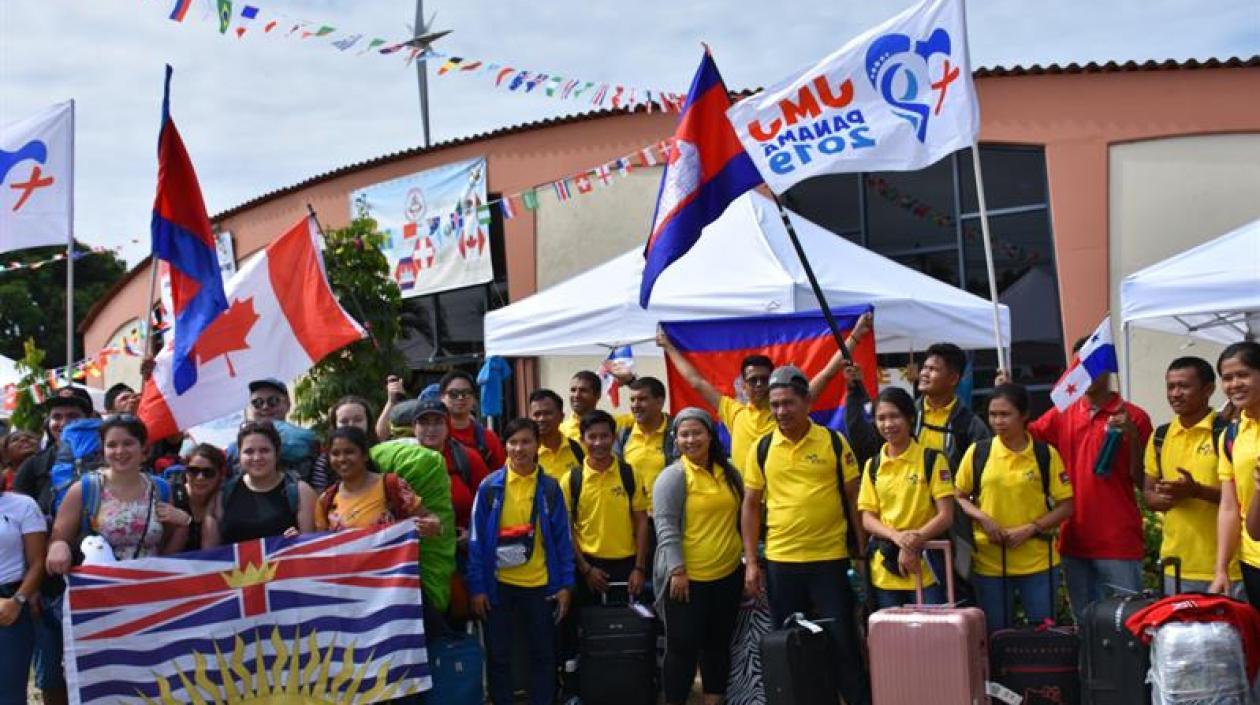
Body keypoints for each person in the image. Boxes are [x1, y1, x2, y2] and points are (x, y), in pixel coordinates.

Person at [740, 365, 869, 705]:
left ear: (807, 402)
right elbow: (751, 506)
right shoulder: (762, 448)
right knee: (790, 647)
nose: (780, 411)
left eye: (787, 403)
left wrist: (863, 550)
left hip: (830, 561)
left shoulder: (832, 441)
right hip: (782, 564)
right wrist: (752, 562)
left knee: (843, 643)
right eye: (775, 404)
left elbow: (856, 498)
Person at [1028, 336, 1152, 620]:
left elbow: (1140, 479)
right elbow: (1021, 440)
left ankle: (1129, 669)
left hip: (1118, 538)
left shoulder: (1136, 417)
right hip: (1074, 537)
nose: (1086, 372)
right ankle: (1089, 668)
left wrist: (1132, 437)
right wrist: (1008, 392)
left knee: (1128, 624)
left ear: (1108, 364)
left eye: (1093, 364)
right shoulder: (1061, 413)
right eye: (1079, 365)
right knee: (1083, 623)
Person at [657, 313, 869, 472]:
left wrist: (856, 336)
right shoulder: (733, 411)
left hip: (780, 495)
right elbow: (696, 382)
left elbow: (826, 374)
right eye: (752, 380)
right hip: (745, 500)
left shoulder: (789, 407)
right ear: (744, 385)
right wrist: (668, 346)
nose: (758, 384)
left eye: (764, 379)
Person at [467, 418, 574, 705]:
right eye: (513, 442)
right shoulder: (489, 489)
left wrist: (565, 585)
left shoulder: (550, 489)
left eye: (526, 441)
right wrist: (477, 588)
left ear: (537, 445)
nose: (519, 448)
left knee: (543, 655)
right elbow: (476, 542)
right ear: (504, 446)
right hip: (498, 587)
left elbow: (564, 541)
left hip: (542, 587)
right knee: (499, 655)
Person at [955, 383, 1075, 631]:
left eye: (1005, 414)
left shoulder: (1045, 454)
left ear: (1024, 415)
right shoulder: (978, 452)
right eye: (993, 414)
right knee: (996, 634)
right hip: (989, 560)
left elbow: (1066, 506)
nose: (998, 421)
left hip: (1038, 560)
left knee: (1042, 632)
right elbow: (957, 496)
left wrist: (1030, 529)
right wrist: (983, 518)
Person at [652, 408, 744, 705]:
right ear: (676, 439)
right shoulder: (673, 476)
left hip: (727, 575)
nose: (691, 440)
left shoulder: (729, 472)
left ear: (710, 435)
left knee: (717, 645)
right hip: (687, 580)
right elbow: (665, 526)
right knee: (682, 648)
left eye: (697, 432)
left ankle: (712, 701)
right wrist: (677, 570)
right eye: (684, 434)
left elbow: (743, 517)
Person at [12, 389, 90, 705]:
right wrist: (27, 589)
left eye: (73, 416)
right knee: (52, 675)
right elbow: (16, 529)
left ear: (90, 420)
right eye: (57, 416)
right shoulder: (33, 467)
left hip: (99, 583)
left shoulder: (110, 457)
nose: (63, 422)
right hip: (48, 588)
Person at [1143, 358, 1240, 595]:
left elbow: (1243, 499)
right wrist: (1159, 499)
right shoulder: (1161, 435)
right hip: (1174, 565)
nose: (1175, 394)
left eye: (1184, 386)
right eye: (1170, 386)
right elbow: (1148, 491)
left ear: (1208, 390)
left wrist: (1196, 491)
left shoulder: (1227, 432)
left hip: (1228, 567)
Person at [45, 416, 190, 571]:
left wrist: (183, 524)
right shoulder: (84, 489)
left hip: (148, 586)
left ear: (143, 448)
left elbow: (167, 550)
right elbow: (58, 538)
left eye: (128, 443)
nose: (120, 451)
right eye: (112, 445)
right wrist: (58, 546)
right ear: (103, 450)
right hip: (99, 588)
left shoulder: (160, 488)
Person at [857, 388, 956, 608]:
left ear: (910, 418)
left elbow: (946, 515)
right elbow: (868, 518)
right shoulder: (872, 465)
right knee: (892, 637)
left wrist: (912, 543)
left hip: (927, 567)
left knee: (932, 637)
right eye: (881, 418)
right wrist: (896, 537)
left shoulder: (931, 459)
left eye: (895, 416)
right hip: (885, 571)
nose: (888, 424)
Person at [845, 341, 989, 470]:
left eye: (933, 369)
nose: (924, 373)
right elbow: (865, 442)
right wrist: (855, 391)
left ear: (953, 379)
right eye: (925, 367)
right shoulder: (905, 413)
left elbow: (981, 472)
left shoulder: (971, 426)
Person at [564, 410, 652, 602]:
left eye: (604, 436)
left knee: (628, 626)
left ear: (613, 437)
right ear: (582, 439)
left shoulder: (630, 474)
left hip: (627, 566)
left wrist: (639, 568)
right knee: (591, 627)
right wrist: (585, 569)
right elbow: (567, 529)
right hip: (587, 565)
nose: (598, 443)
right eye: (592, 437)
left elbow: (642, 522)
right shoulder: (572, 479)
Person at [314, 426, 440, 534]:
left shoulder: (392, 485)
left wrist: (433, 524)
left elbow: (427, 517)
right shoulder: (326, 501)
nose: (342, 459)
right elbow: (320, 546)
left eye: (349, 452)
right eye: (335, 454)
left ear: (365, 455)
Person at [1212, 342, 1260, 608]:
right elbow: (1229, 506)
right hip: (1252, 561)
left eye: (1243, 374)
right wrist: (1221, 569)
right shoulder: (1231, 435)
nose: (1234, 384)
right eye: (1227, 378)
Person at [218, 421, 317, 544]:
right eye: (249, 451)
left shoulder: (301, 492)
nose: (257, 457)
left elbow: (311, 548)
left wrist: (297, 541)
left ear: (277, 452)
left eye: (264, 450)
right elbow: (211, 553)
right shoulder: (224, 493)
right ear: (239, 454)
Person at [0, 471, 45, 705]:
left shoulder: (23, 505)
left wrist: (18, 601)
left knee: (8, 695)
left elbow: (38, 561)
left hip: (9, 608)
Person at [412, 399, 489, 533]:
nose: (431, 429)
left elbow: (488, 502)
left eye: (438, 422)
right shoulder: (404, 461)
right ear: (414, 428)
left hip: (462, 546)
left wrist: (472, 533)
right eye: (424, 423)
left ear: (448, 426)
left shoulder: (467, 458)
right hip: (418, 546)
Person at [619, 376, 676, 510]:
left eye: (642, 399)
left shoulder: (677, 433)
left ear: (659, 402)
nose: (635, 405)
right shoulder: (623, 435)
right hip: (633, 518)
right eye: (632, 400)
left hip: (667, 518)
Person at [440, 370, 506, 471]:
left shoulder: (488, 439)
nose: (460, 398)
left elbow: (500, 477)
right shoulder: (433, 435)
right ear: (441, 397)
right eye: (453, 394)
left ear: (474, 399)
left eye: (466, 393)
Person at [311, 396, 377, 491]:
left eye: (358, 420)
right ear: (335, 425)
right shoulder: (324, 462)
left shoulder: (383, 453)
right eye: (344, 421)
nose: (351, 425)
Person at [178, 444, 227, 552]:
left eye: (208, 473)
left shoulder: (226, 501)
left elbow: (210, 553)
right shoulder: (172, 497)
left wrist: (211, 516)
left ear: (221, 475)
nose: (200, 478)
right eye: (193, 471)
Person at [528, 389, 585, 481]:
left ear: (561, 416)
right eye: (537, 414)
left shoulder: (579, 449)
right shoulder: (524, 453)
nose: (542, 419)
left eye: (547, 413)